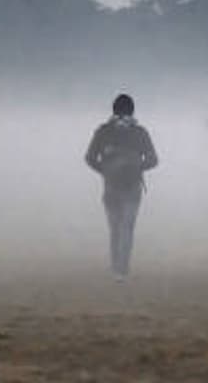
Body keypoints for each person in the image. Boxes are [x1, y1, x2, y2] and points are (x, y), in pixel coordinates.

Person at [85, 93, 158, 281]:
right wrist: (138, 168)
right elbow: (153, 159)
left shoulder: (103, 131)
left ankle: (115, 267)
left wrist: (105, 170)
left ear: (113, 109)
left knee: (115, 228)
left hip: (110, 187)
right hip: (133, 187)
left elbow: (89, 158)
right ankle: (122, 269)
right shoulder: (140, 132)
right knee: (127, 227)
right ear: (132, 110)